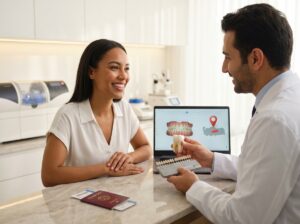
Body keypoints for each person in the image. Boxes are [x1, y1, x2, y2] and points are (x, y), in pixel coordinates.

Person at [167, 3, 300, 223]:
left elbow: (241, 218)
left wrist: (194, 186)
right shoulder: (291, 95)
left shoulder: (275, 120)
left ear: (256, 58)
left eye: (228, 56)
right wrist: (211, 160)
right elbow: (266, 172)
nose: (224, 67)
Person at [41, 39, 151, 187]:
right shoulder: (68, 115)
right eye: (114, 68)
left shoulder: (124, 109)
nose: (123, 76)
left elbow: (145, 148)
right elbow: (50, 175)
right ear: (91, 72)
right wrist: (106, 168)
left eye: (126, 68)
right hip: (79, 205)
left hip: (118, 198)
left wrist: (127, 157)